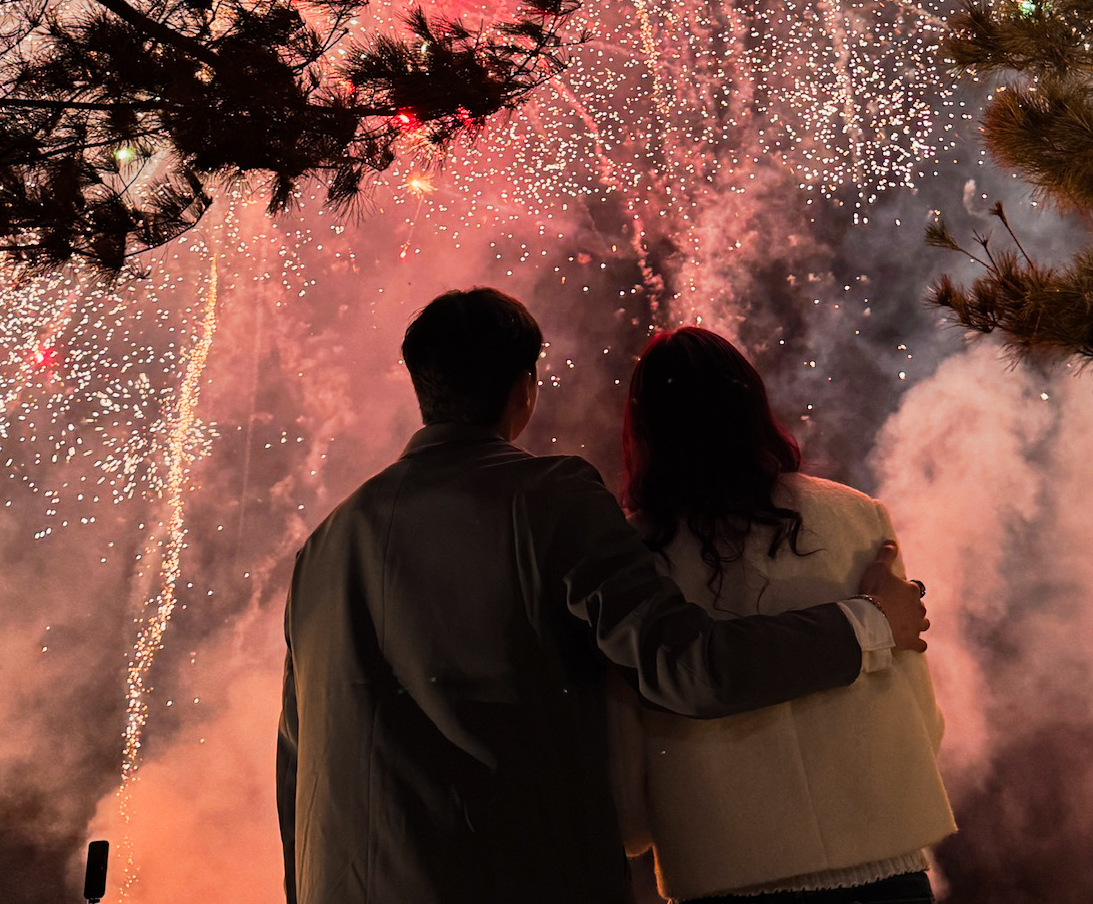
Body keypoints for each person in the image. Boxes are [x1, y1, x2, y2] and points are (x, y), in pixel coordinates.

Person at [276, 288, 930, 904]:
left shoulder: (323, 548)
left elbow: (294, 772)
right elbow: (685, 668)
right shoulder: (548, 499)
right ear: (524, 390)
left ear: (422, 386)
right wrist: (870, 623)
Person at [610, 327, 956, 904]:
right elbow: (922, 713)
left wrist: (633, 829)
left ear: (645, 428)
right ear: (752, 404)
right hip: (883, 859)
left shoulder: (634, 556)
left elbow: (625, 744)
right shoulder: (858, 516)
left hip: (727, 869)